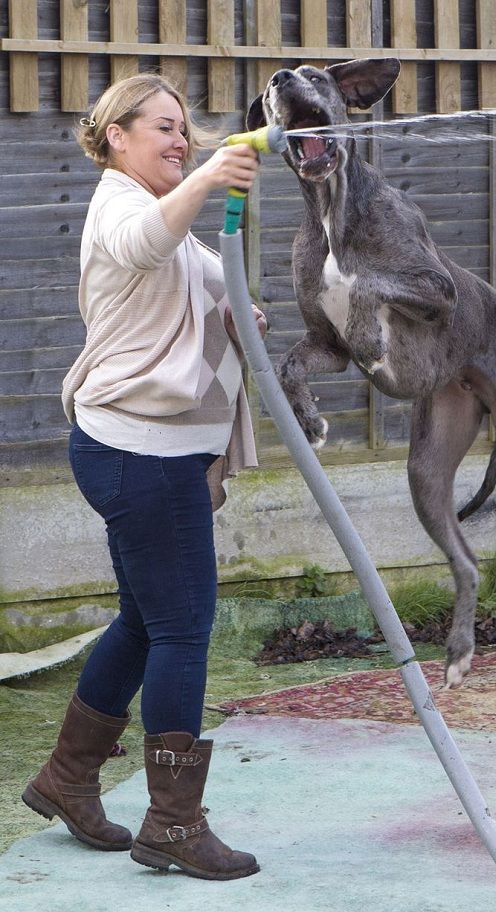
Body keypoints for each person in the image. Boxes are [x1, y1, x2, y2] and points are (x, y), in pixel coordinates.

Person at [21, 74, 266, 881]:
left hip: (145, 454)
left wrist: (237, 314)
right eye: (163, 126)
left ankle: (67, 779)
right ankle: (173, 823)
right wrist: (205, 178)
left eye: (186, 130)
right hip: (141, 458)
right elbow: (141, 247)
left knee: (143, 620)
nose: (180, 140)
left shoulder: (174, 223)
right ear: (116, 134)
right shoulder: (120, 208)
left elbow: (191, 282)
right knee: (182, 628)